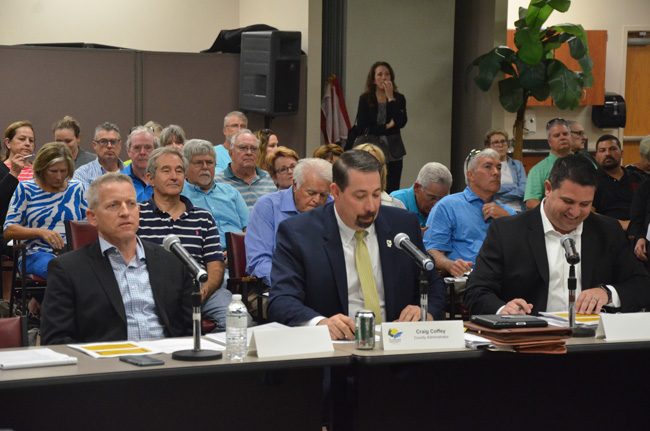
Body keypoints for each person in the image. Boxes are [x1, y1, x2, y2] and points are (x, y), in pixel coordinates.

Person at [268, 151, 445, 339]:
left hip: (396, 344)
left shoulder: (402, 226)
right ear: (335, 192)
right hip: (335, 352)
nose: (371, 206)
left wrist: (424, 311)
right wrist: (320, 323)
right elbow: (281, 299)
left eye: (376, 195)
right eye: (360, 196)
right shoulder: (299, 233)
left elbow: (434, 284)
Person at [464, 154, 650, 316]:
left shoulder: (607, 231)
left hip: (594, 344)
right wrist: (504, 309)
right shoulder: (508, 231)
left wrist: (608, 293)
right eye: (568, 201)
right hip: (528, 345)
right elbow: (476, 291)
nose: (575, 212)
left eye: (585, 204)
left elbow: (641, 284)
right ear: (548, 188)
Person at [41, 172, 192, 344]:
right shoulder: (67, 270)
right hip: (107, 365)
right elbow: (56, 340)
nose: (125, 212)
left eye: (131, 204)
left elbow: (190, 330)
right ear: (92, 217)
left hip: (169, 363)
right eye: (113, 205)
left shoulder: (170, 263)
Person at [138, 147, 230, 329]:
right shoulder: (137, 215)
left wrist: (204, 290)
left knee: (236, 319)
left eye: (179, 170)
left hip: (202, 291)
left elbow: (215, 265)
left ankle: (212, 356)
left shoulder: (203, 217)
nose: (174, 176)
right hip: (152, 292)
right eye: (166, 170)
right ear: (150, 178)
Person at [424, 148, 515, 277]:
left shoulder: (508, 213)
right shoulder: (448, 206)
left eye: (499, 167)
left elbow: (524, 252)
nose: (496, 172)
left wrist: (507, 220)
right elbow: (432, 251)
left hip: (503, 281)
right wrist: (449, 265)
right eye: (488, 167)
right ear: (470, 175)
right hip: (464, 282)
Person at [4, 142, 87, 279]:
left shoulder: (77, 188)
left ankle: (41, 300)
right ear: (41, 169)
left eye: (64, 171)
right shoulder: (26, 189)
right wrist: (39, 232)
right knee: (60, 270)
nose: (59, 177)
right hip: (35, 253)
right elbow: (8, 230)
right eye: (53, 171)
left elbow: (89, 223)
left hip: (72, 252)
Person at [246, 158, 332, 286]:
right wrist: (291, 284)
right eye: (311, 193)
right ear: (295, 185)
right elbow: (259, 262)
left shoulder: (331, 206)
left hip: (322, 286)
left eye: (323, 195)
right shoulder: (268, 206)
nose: (317, 200)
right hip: (276, 286)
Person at [355, 61, 407, 193]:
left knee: (392, 188)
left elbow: (401, 122)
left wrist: (390, 98)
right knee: (370, 186)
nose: (384, 77)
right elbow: (363, 127)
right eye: (379, 74)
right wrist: (385, 127)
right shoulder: (365, 99)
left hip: (393, 151)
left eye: (387, 74)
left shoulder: (399, 98)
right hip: (371, 148)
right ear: (373, 79)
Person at [181, 139, 248, 237]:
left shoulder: (231, 192)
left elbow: (249, 228)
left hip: (237, 249)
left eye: (209, 162)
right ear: (185, 167)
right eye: (199, 163)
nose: (205, 167)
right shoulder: (179, 196)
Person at [592, 134, 645, 233]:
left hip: (639, 231)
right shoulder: (590, 181)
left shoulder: (638, 178)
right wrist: (621, 224)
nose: (607, 153)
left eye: (613, 149)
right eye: (602, 150)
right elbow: (588, 214)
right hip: (607, 233)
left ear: (622, 153)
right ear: (596, 156)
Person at [214, 129, 277, 210]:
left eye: (254, 149)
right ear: (230, 153)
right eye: (243, 148)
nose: (249, 153)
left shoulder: (267, 177)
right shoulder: (217, 181)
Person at [524, 118, 572, 209]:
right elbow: (531, 202)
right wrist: (550, 214)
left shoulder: (584, 163)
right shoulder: (538, 170)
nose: (562, 137)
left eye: (565, 134)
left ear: (571, 137)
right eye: (557, 135)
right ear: (549, 142)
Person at [391, 162, 452, 227]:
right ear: (416, 187)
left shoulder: (448, 206)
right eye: (432, 198)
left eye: (442, 199)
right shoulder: (394, 202)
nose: (436, 205)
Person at [73, 122, 124, 191]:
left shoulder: (132, 173)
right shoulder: (82, 174)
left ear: (120, 144)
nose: (109, 146)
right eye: (103, 141)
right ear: (94, 145)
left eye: (113, 142)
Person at [484, 130, 526, 212]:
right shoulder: (486, 166)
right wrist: (513, 186)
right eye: (496, 142)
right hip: (495, 209)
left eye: (503, 141)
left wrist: (500, 195)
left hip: (518, 210)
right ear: (489, 146)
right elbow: (489, 190)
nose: (500, 145)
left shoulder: (517, 165)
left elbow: (523, 190)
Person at [354, 143, 405, 209]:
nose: (369, 172)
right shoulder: (342, 202)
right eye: (364, 166)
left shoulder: (397, 206)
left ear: (382, 171)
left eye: (375, 166)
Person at [121, 126, 157, 202]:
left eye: (148, 147)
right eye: (137, 147)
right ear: (128, 151)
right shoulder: (118, 180)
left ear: (155, 151)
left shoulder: (163, 179)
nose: (142, 152)